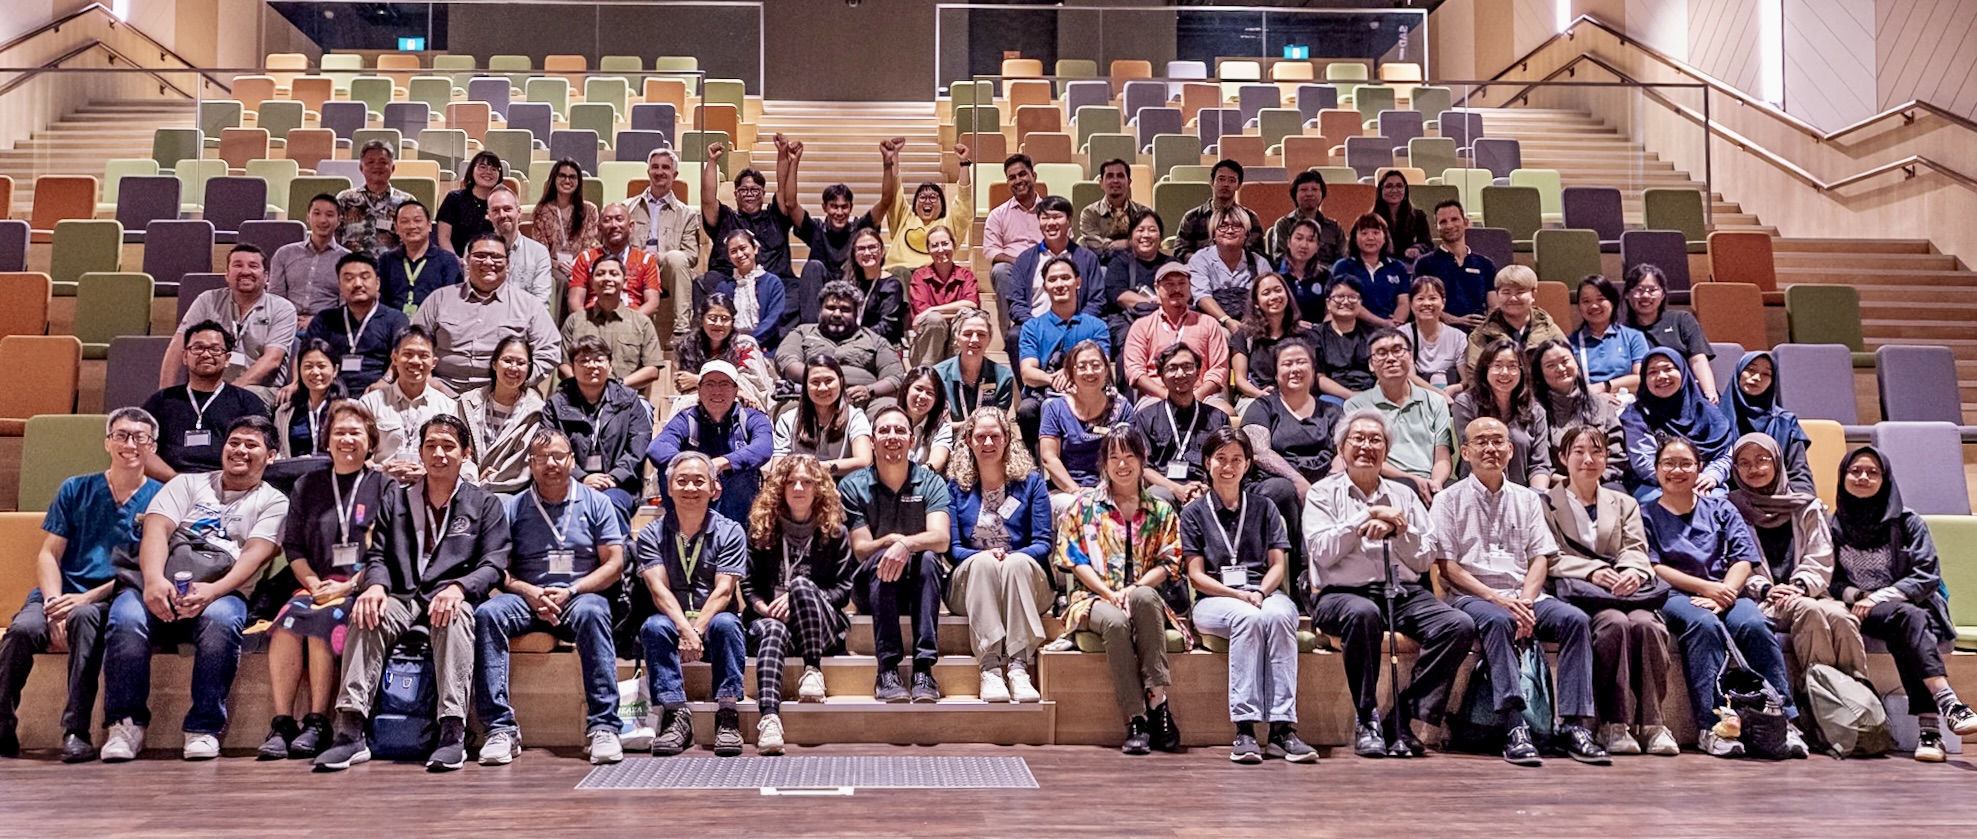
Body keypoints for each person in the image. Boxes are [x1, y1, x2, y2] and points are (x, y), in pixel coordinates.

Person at [311, 415, 512, 772]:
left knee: (455, 615)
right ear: (419, 452)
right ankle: (350, 730)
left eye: (448, 446)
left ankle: (452, 731)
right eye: (431, 445)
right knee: (367, 612)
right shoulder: (396, 500)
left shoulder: (485, 504)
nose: (439, 453)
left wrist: (460, 587)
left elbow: (494, 563)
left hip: (450, 596)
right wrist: (374, 584)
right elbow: (377, 555)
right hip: (403, 595)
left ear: (465, 453)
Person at [101, 416, 289, 762]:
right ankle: (124, 725)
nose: (240, 450)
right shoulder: (187, 483)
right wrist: (155, 582)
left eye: (252, 445)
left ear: (271, 455)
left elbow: (254, 555)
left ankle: (203, 727)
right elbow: (155, 531)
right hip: (161, 581)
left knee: (223, 621)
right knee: (126, 618)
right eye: (234, 442)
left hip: (222, 590)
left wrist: (214, 590)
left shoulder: (274, 501)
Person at [1432, 417, 1607, 766]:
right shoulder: (1448, 500)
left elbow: (1540, 557)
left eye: (1498, 441)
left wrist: (1525, 600)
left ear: (1511, 450)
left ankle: (1575, 725)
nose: (1490, 448)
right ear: (1464, 452)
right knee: (1498, 621)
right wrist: (1498, 599)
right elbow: (1447, 567)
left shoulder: (1527, 498)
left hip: (1525, 596)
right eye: (1481, 442)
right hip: (1474, 598)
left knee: (1574, 620)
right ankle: (1515, 725)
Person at [1305, 407, 1477, 758]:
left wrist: (1401, 530)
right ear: (1341, 448)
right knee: (1363, 613)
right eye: (1359, 438)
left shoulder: (1404, 495)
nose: (1367, 446)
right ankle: (1366, 718)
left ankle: (1402, 717)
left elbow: (1425, 557)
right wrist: (1364, 517)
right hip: (1341, 593)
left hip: (1401, 589)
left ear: (1386, 450)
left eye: (1376, 440)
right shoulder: (1322, 493)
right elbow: (1321, 552)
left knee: (1457, 624)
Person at [0, 409, 162, 762]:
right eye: (121, 435)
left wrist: (83, 599)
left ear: (152, 447)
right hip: (58, 590)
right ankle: (2, 724)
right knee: (21, 631)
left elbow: (142, 569)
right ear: (107, 442)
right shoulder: (76, 487)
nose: (129, 444)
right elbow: (48, 553)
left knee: (84, 621)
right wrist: (54, 601)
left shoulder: (161, 498)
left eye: (139, 437)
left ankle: (76, 730)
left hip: (109, 595)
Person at [1643, 434, 1805, 758]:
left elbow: (1743, 559)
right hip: (1675, 596)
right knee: (1703, 625)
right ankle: (1713, 725)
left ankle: (1783, 720)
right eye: (1669, 464)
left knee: (1755, 623)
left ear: (1699, 467)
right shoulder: (1645, 514)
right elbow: (1653, 565)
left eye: (1686, 463)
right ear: (1657, 469)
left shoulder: (1721, 508)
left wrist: (1724, 594)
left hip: (1727, 591)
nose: (1677, 470)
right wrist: (1707, 590)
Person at [475, 429, 628, 766]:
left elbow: (615, 564)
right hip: (528, 598)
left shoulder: (597, 503)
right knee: (487, 614)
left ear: (572, 461)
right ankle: (500, 729)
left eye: (559, 455)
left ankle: (603, 726)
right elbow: (499, 568)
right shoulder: (513, 507)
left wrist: (571, 590)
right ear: (531, 463)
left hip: (578, 594)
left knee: (593, 612)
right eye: (542, 457)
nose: (551, 463)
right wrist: (528, 591)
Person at [1828, 447, 1977, 761]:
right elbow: (1830, 579)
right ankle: (1945, 709)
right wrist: (1858, 596)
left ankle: (1932, 729)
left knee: (1907, 620)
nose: (1863, 478)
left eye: (1873, 472)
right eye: (1855, 471)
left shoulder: (1908, 521)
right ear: (1843, 478)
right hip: (1858, 610)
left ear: (1885, 478)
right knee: (1908, 620)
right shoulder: (1833, 524)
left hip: (1907, 606)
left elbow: (1926, 575)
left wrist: (1881, 596)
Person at [1541, 424, 1678, 757]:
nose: (1589, 459)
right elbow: (1548, 554)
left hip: (1626, 590)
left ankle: (1652, 724)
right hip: (1583, 594)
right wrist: (1592, 571)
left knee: (1647, 625)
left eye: (1597, 451)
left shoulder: (1623, 502)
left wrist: (1631, 570)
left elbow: (1635, 547)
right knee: (1613, 624)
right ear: (1563, 458)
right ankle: (1612, 723)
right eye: (1579, 452)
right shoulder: (1546, 503)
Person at [1181, 427, 1316, 764]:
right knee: (1248, 618)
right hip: (1215, 599)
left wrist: (1257, 591)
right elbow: (1196, 576)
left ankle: (1283, 729)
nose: (1228, 466)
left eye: (1237, 460)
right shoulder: (1194, 513)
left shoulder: (1265, 507)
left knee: (1281, 615)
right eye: (1221, 459)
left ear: (1248, 464)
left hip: (1261, 591)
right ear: (1208, 462)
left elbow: (1277, 566)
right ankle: (1245, 728)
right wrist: (1237, 595)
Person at [258, 400, 383, 761]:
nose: (347, 439)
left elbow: (386, 551)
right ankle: (282, 723)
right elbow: (293, 546)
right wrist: (312, 584)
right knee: (286, 623)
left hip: (359, 586)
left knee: (322, 623)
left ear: (370, 441)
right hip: (314, 585)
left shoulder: (384, 486)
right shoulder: (306, 485)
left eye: (355, 433)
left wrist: (347, 586)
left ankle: (317, 722)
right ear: (327, 440)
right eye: (339, 432)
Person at [1053, 424, 1185, 754]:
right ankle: (1137, 717)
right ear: (1104, 463)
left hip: (1145, 597)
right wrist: (1110, 593)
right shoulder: (1085, 507)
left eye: (1129, 456)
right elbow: (1073, 557)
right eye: (1114, 457)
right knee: (1114, 621)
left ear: (1142, 460)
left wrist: (1134, 587)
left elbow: (1170, 561)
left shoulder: (1160, 509)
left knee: (1141, 595)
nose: (1122, 464)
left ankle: (1158, 698)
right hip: (1094, 598)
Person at [631, 451, 749, 756]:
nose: (690, 488)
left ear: (714, 488)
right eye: (681, 481)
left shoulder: (731, 531)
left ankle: (727, 713)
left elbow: (724, 592)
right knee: (654, 627)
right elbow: (659, 590)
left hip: (712, 624)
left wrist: (695, 631)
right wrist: (685, 630)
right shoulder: (650, 534)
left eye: (699, 481)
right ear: (669, 488)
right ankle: (675, 715)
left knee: (727, 623)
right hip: (674, 625)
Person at [741, 455, 859, 752]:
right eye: (791, 481)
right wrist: (763, 608)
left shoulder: (835, 532)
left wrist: (801, 599)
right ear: (779, 488)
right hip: (771, 620)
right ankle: (769, 718)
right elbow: (748, 584)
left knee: (802, 585)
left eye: (806, 482)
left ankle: (813, 670)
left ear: (817, 488)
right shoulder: (760, 528)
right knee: (773, 631)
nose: (798, 487)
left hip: (821, 626)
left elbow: (843, 590)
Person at [842, 406, 953, 703]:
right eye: (884, 431)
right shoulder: (853, 485)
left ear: (912, 440)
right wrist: (891, 542)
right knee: (881, 558)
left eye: (900, 430)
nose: (893, 436)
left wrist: (905, 545)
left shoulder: (931, 482)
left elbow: (941, 539)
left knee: (930, 558)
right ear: (873, 440)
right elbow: (862, 548)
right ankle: (887, 668)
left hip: (918, 585)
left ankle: (923, 668)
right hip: (870, 587)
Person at [1728, 433, 1861, 677]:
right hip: (1762, 600)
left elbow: (1820, 555)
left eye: (1761, 460)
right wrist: (1767, 589)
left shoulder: (1805, 506)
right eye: (1744, 463)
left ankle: (1858, 695)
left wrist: (1799, 585)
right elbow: (1733, 562)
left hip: (1808, 592)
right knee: (1807, 609)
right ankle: (1820, 697)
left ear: (1777, 462)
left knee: (1842, 616)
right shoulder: (1730, 507)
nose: (1753, 469)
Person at [944, 407, 1053, 703]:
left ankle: (1018, 667)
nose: (988, 443)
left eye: (994, 436)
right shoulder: (955, 487)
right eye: (980, 436)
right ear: (968, 440)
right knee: (980, 561)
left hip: (1025, 582)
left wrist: (1007, 556)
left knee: (1016, 562)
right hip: (972, 585)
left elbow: (1043, 544)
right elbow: (952, 549)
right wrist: (989, 556)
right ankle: (990, 667)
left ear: (1007, 438)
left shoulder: (1031, 483)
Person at [411, 233, 562, 393]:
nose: (488, 262)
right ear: (467, 261)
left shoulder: (529, 305)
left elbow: (549, 351)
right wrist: (427, 380)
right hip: (441, 391)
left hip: (503, 395)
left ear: (508, 264)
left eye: (496, 257)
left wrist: (517, 382)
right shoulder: (439, 299)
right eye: (480, 256)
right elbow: (413, 342)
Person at [1240, 341, 1339, 571]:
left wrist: (1330, 481)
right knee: (1281, 490)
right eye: (1287, 364)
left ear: (1314, 371)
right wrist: (1297, 480)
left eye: (1302, 362)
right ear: (1275, 373)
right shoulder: (1262, 406)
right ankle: (1294, 570)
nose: (1295, 369)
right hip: (1277, 482)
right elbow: (1257, 450)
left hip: (1324, 480)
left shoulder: (1332, 410)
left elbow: (1344, 451)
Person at [141, 319, 273, 481]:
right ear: (184, 356)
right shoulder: (161, 401)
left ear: (227, 358)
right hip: (169, 484)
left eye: (215, 349)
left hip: (231, 486)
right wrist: (177, 482)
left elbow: (258, 452)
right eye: (198, 348)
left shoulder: (247, 402)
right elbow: (141, 449)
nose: (206, 354)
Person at [649, 360, 775, 525]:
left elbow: (763, 448)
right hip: (696, 488)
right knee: (669, 468)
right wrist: (700, 468)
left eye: (724, 384)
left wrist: (722, 463)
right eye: (710, 384)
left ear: (736, 390)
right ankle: (682, 535)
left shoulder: (751, 417)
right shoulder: (687, 418)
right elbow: (657, 448)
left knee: (741, 472)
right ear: (699, 390)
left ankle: (735, 539)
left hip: (736, 500)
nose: (717, 391)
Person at [782, 134, 902, 304]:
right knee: (813, 267)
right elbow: (790, 204)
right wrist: (794, 162)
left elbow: (886, 201)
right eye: (834, 206)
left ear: (850, 208)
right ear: (825, 208)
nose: (840, 212)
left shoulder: (859, 229)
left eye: (844, 206)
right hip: (821, 294)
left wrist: (887, 162)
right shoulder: (816, 229)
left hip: (854, 292)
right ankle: (810, 327)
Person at [544, 335, 653, 520]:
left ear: (610, 365)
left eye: (598, 359)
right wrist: (581, 478)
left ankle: (618, 550)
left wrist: (613, 478)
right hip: (567, 483)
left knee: (609, 504)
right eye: (583, 360)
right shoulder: (557, 404)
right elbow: (549, 448)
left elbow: (638, 447)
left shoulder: (629, 400)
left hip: (618, 486)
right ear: (572, 367)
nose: (591, 365)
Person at [163, 243, 298, 392]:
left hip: (258, 389)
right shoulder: (207, 300)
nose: (245, 271)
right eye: (238, 265)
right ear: (227, 274)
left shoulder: (282, 308)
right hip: (208, 386)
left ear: (266, 276)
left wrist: (228, 394)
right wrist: (164, 393)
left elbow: (272, 360)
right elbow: (178, 346)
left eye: (253, 266)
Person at [1343, 329, 1455, 502]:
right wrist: (1414, 480)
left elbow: (1442, 455)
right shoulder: (1357, 405)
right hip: (1382, 479)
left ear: (1410, 357)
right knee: (1405, 488)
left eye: (1397, 350)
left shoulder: (1435, 401)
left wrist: (1436, 483)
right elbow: (1367, 456)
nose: (1390, 358)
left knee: (1455, 492)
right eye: (1381, 353)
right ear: (1371, 364)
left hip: (1430, 480)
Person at [1016, 257, 1112, 444]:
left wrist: (1072, 376)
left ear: (1078, 282)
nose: (1059, 284)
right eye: (1052, 280)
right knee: (1026, 410)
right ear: (1044, 286)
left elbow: (1104, 364)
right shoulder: (1032, 327)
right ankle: (1034, 466)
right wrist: (1055, 379)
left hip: (1089, 393)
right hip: (1044, 395)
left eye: (1065, 278)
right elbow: (1027, 373)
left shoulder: (1097, 326)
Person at [1620, 348, 1734, 501]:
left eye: (1668, 369)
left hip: (1703, 482)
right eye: (1652, 372)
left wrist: (1712, 476)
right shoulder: (1636, 415)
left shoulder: (1708, 411)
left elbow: (1725, 454)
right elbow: (1643, 462)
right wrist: (1682, 481)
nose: (1661, 376)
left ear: (1683, 371)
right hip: (1654, 485)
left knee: (1716, 502)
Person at [776, 281, 906, 409]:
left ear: (856, 313)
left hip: (862, 402)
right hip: (810, 397)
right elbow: (785, 359)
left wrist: (869, 390)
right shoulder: (802, 332)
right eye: (831, 308)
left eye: (845, 309)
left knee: (888, 408)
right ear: (820, 310)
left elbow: (894, 376)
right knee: (788, 408)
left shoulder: (875, 340)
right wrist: (819, 379)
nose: (837, 314)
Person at [1039, 340, 1136, 511]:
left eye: (1096, 365)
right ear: (1070, 372)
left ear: (1106, 370)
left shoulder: (1122, 408)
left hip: (1114, 487)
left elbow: (1129, 456)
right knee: (1082, 508)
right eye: (1082, 366)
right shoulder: (1055, 408)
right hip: (1066, 491)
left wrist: (1105, 490)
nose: (1089, 372)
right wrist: (1077, 492)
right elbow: (1049, 458)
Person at [357, 326, 460, 484]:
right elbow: (358, 457)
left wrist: (429, 472)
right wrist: (382, 470)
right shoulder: (370, 403)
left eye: (423, 355)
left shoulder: (448, 407)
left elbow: (457, 460)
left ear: (433, 363)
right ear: (395, 358)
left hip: (431, 489)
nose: (415, 361)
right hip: (379, 487)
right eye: (408, 354)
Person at [1122, 262, 1230, 408]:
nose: (1176, 289)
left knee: (1224, 412)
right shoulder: (1141, 326)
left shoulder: (1209, 324)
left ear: (1190, 287)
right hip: (1156, 397)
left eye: (1182, 283)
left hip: (1201, 396)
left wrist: (1195, 396)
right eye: (1169, 284)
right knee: (1147, 415)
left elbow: (1219, 369)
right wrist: (1165, 395)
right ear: (1156, 288)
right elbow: (1135, 372)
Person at [300, 252, 410, 394]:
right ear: (340, 286)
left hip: (380, 393)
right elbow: (305, 356)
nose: (357, 284)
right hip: (330, 392)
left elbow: (402, 355)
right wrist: (296, 383)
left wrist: (386, 380)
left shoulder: (395, 319)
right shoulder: (325, 319)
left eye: (364, 277)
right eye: (349, 278)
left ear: (377, 283)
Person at [1450, 338, 1553, 489]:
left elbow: (1539, 464)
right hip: (1477, 490)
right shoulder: (1466, 403)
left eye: (1512, 366)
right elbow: (1472, 456)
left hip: (1523, 494)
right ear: (1486, 369)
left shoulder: (1535, 410)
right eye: (1498, 366)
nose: (1505, 373)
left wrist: (1536, 495)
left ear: (1522, 371)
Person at [623, 148, 701, 337]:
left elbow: (691, 255)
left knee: (676, 257)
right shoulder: (627, 207)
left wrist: (659, 257)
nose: (660, 172)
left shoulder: (687, 215)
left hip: (666, 271)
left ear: (674, 174)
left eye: (665, 168)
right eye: (655, 167)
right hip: (634, 267)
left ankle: (682, 330)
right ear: (648, 171)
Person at [559, 254, 664, 392]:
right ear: (591, 281)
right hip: (580, 396)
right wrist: (585, 387)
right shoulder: (575, 321)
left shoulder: (641, 323)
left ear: (625, 282)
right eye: (600, 274)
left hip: (627, 396)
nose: (607, 278)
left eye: (614, 274)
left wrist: (616, 387)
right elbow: (563, 365)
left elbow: (652, 370)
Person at [458, 336, 548, 494]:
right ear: (494, 363)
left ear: (528, 369)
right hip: (465, 485)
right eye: (507, 360)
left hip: (508, 491)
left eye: (521, 363)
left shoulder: (536, 411)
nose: (513, 368)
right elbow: (459, 449)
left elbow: (521, 463)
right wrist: (474, 480)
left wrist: (488, 482)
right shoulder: (467, 402)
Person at [1533, 339, 1628, 487]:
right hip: (1557, 486)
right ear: (1540, 372)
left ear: (1576, 361)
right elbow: (1538, 464)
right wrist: (1572, 484)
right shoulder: (1535, 411)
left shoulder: (1601, 405)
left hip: (1602, 483)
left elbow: (1617, 457)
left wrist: (1594, 480)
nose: (1560, 368)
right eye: (1550, 365)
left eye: (1565, 361)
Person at [1007, 196, 1105, 336]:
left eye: (1057, 217)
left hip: (1076, 324)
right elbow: (1016, 302)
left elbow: (1096, 300)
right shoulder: (1025, 259)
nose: (1051, 223)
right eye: (1045, 218)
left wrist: (1076, 324)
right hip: (1035, 324)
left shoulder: (1088, 258)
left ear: (1069, 221)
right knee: (1014, 336)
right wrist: (1033, 325)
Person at [1721, 351, 1815, 495]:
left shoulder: (1785, 422)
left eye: (1766, 374)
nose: (1757, 378)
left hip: (1776, 502)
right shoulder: (1715, 419)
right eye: (1751, 370)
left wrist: (1804, 503)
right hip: (1728, 501)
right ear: (1738, 372)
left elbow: (1798, 472)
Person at [699, 142, 794, 279]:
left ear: (763, 193)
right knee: (705, 281)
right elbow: (707, 200)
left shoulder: (775, 217)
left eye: (755, 190)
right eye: (743, 190)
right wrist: (712, 161)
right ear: (735, 194)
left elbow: (784, 188)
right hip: (730, 284)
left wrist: (782, 153)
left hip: (773, 286)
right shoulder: (725, 218)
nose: (749, 194)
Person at [1623, 264, 1718, 398]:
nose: (1645, 295)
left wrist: (1709, 391)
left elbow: (1698, 360)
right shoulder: (1622, 332)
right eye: (1639, 290)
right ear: (1627, 294)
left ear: (1662, 294)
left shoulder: (1682, 319)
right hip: (1645, 397)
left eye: (1652, 290)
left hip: (1685, 393)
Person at [773, 354, 874, 479]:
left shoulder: (855, 417)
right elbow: (777, 467)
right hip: (800, 486)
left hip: (843, 488)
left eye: (829, 381)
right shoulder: (787, 420)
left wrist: (815, 467)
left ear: (841, 382)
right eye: (815, 382)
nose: (822, 388)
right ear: (805, 385)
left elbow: (864, 461)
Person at [671, 292, 775, 413]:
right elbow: (684, 384)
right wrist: (734, 390)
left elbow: (755, 388)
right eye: (712, 318)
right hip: (699, 403)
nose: (718, 324)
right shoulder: (689, 345)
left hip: (740, 405)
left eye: (725, 319)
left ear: (732, 322)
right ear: (702, 320)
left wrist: (698, 380)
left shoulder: (745, 345)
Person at [1229, 272, 1319, 405]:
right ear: (1256, 302)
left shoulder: (1304, 335)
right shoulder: (1244, 335)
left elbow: (1312, 375)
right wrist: (1260, 394)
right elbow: (1240, 380)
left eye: (1278, 290)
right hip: (1256, 397)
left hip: (1297, 396)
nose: (1274, 297)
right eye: (1266, 293)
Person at [883, 143, 973, 273]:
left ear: (942, 204)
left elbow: (964, 200)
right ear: (915, 203)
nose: (927, 201)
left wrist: (964, 163)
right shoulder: (904, 218)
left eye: (933, 197)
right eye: (922, 197)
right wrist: (894, 156)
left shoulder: (948, 225)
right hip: (900, 275)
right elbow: (894, 191)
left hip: (932, 277)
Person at [696, 230, 789, 350]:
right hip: (730, 347)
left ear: (755, 248)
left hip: (764, 347)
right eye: (733, 251)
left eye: (743, 248)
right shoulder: (724, 287)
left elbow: (773, 319)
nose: (739, 255)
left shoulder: (772, 283)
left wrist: (750, 341)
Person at [567, 202, 662, 318]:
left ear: (631, 226)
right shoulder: (585, 258)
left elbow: (652, 303)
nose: (613, 225)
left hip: (632, 323)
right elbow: (574, 303)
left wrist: (629, 322)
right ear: (599, 228)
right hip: (593, 322)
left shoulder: (646, 260)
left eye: (619, 219)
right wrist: (588, 324)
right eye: (607, 220)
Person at [268, 195, 351, 326]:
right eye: (316, 214)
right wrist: (289, 321)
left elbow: (346, 307)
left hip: (328, 326)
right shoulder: (284, 254)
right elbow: (275, 299)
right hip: (287, 325)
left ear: (339, 220)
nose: (323, 220)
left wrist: (317, 321)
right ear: (308, 217)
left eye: (329, 215)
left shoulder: (347, 260)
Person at [1409, 199, 1495, 326]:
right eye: (1443, 222)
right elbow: (1421, 303)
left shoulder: (1485, 264)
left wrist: (1483, 327)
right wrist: (1454, 320)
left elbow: (1494, 306)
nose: (1449, 226)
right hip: (1439, 332)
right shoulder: (1424, 264)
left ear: (1465, 223)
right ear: (1436, 228)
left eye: (1454, 219)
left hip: (1477, 334)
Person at [983, 154, 1044, 329]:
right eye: (1012, 177)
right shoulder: (998, 215)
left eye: (1022, 174)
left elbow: (1065, 243)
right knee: (1000, 271)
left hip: (1047, 265)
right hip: (1013, 268)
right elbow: (991, 251)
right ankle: (1014, 331)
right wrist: (1020, 262)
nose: (1018, 180)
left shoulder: (1051, 211)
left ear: (1034, 176)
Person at [1464, 265, 1568, 369]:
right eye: (1506, 292)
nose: (1513, 298)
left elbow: (1566, 368)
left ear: (1533, 295)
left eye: (1520, 292)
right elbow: (1475, 376)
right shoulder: (1480, 336)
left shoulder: (1551, 331)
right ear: (1497, 295)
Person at [906, 225, 980, 367]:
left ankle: (956, 378)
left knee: (963, 321)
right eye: (934, 245)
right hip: (926, 348)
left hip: (957, 342)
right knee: (935, 320)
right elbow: (923, 318)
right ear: (928, 250)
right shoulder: (919, 276)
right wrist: (952, 312)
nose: (941, 250)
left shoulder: (966, 276)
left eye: (945, 243)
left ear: (954, 245)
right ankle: (928, 376)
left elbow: (972, 306)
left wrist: (932, 310)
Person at [1187, 207, 1273, 327]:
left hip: (1252, 322)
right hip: (1214, 323)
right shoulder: (1200, 260)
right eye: (1223, 226)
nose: (1230, 230)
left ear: (1246, 234)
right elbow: (1202, 296)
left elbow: (1269, 296)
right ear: (1213, 234)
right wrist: (1226, 320)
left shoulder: (1260, 262)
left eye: (1237, 226)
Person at [1099, 209, 1171, 351]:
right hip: (1127, 320)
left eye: (1152, 230)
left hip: (1167, 319)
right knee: (1131, 343)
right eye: (1140, 230)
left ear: (1160, 236)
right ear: (1130, 237)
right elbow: (1120, 296)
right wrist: (1155, 302)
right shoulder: (1119, 262)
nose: (1146, 235)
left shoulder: (1171, 264)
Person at [528, 157, 600, 290]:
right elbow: (540, 249)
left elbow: (588, 246)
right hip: (552, 266)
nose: (567, 180)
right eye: (562, 176)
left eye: (572, 177)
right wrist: (557, 265)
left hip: (581, 264)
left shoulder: (590, 210)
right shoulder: (542, 211)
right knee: (561, 281)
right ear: (554, 179)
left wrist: (575, 265)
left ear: (578, 182)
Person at [934, 308, 1015, 426]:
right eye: (967, 334)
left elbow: (998, 422)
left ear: (989, 339)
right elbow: (938, 424)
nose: (974, 340)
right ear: (957, 338)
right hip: (948, 440)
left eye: (981, 334)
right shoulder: (937, 374)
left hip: (986, 439)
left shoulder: (1003, 376)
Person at [1329, 213, 1412, 329]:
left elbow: (1403, 302)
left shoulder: (1398, 267)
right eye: (1364, 233)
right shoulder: (1343, 266)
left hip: (1391, 330)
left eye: (1376, 232)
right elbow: (1347, 303)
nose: (1370, 238)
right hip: (1353, 331)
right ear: (1354, 238)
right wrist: (1382, 323)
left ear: (1385, 238)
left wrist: (1397, 323)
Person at [1569, 275, 1647, 396]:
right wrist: (1598, 398)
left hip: (1627, 405)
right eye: (1586, 301)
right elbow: (1568, 386)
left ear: (1612, 302)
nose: (1594, 306)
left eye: (1600, 299)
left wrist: (1605, 386)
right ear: (1579, 306)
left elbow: (1640, 378)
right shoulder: (1571, 342)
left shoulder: (1633, 337)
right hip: (1589, 406)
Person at [335, 140, 413, 259]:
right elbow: (334, 239)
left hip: (391, 269)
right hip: (352, 268)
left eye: (383, 162)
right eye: (370, 162)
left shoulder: (406, 202)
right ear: (361, 168)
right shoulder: (345, 199)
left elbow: (413, 242)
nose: (377, 166)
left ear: (392, 168)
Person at [1174, 159, 1264, 261]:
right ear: (1212, 182)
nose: (1226, 184)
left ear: (1239, 186)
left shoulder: (1250, 217)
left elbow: (1257, 253)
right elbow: (1180, 251)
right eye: (1221, 179)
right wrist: (1204, 263)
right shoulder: (1192, 217)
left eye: (1232, 180)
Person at [272, 340, 346, 459]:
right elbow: (280, 453)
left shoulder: (350, 410)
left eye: (321, 366)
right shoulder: (284, 412)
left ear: (335, 370)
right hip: (296, 474)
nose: (315, 372)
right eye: (308, 366)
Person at [380, 200, 463, 306]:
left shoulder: (447, 260)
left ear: (429, 225)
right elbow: (380, 300)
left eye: (417, 220)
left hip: (433, 320)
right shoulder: (386, 260)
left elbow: (450, 301)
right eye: (404, 221)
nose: (411, 226)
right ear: (396, 228)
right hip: (394, 321)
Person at [840, 227, 910, 347]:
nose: (867, 253)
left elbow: (888, 326)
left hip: (882, 345)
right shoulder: (848, 283)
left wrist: (856, 337)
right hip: (851, 343)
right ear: (854, 254)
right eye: (861, 249)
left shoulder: (892, 284)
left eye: (872, 247)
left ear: (882, 251)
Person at [483, 187, 552, 304]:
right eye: (495, 210)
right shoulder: (477, 252)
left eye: (507, 209)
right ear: (489, 215)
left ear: (518, 212)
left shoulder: (538, 253)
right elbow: (473, 297)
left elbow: (541, 301)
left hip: (525, 320)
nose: (502, 215)